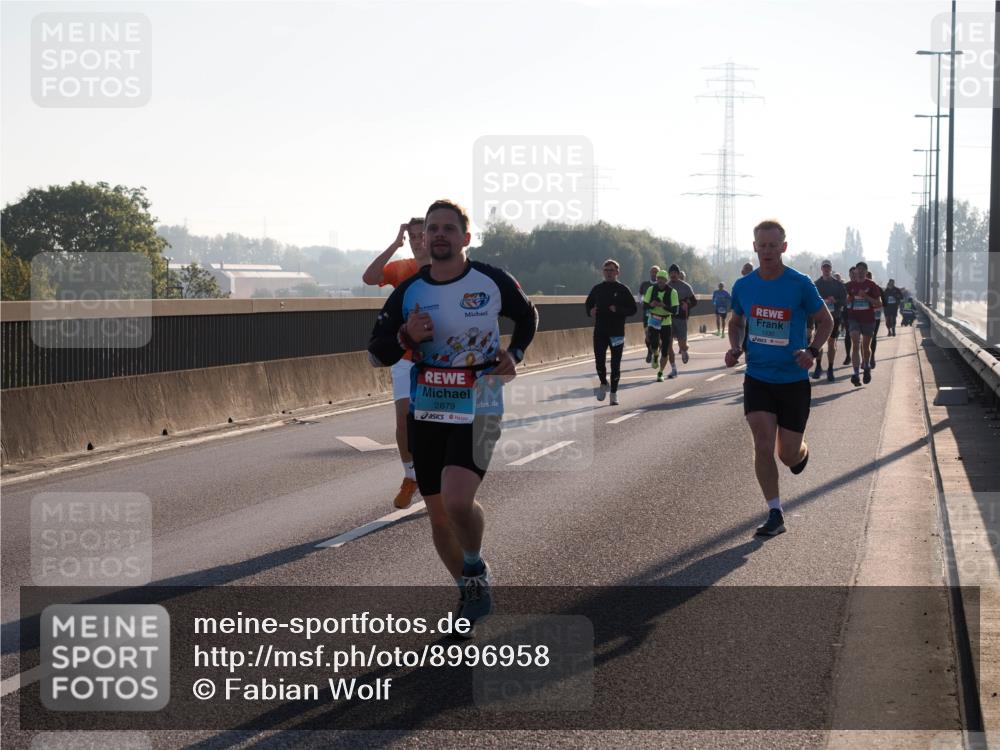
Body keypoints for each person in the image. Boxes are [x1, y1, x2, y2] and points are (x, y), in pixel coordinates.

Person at [367, 199, 538, 629]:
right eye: (432, 229)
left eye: (448, 228)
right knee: (439, 514)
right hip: (428, 408)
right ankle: (468, 590)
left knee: (459, 500)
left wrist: (514, 352)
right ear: (424, 238)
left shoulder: (491, 280)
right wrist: (406, 334)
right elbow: (376, 352)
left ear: (466, 237)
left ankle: (476, 567)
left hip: (479, 402)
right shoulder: (410, 291)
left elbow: (528, 314)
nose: (438, 235)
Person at [725, 220, 833, 537]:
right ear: (755, 246)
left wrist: (812, 350)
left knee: (787, 454)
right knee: (761, 443)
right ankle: (775, 512)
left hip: (793, 381)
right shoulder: (743, 286)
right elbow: (735, 322)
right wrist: (734, 349)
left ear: (783, 247)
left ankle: (800, 451)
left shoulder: (799, 284)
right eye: (763, 245)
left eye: (774, 245)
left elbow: (825, 320)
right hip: (758, 377)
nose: (768, 251)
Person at [362, 217, 429, 509]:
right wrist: (395, 244)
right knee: (403, 420)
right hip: (404, 357)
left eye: (420, 235)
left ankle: (440, 475)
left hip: (440, 359)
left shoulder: (447, 267)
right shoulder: (402, 268)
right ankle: (410, 476)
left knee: (435, 421)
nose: (416, 240)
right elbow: (369, 277)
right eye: (411, 236)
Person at [586, 259, 638, 406]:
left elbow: (633, 309)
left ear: (617, 272)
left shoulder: (623, 289)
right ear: (603, 272)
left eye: (611, 270)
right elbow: (588, 303)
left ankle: (614, 393)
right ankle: (603, 382)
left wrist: (619, 310)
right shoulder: (597, 288)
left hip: (617, 332)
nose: (608, 273)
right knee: (599, 362)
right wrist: (591, 311)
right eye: (606, 270)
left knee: (615, 365)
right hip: (600, 331)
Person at [845, 261, 883, 386]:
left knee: (866, 347)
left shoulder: (871, 285)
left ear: (866, 272)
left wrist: (866, 296)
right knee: (855, 343)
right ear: (855, 271)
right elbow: (844, 302)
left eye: (863, 269)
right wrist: (848, 299)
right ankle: (855, 374)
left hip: (868, 319)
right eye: (858, 269)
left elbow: (878, 303)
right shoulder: (850, 285)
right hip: (854, 318)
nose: (860, 271)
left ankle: (866, 366)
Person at [811, 259, 847, 382]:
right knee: (819, 341)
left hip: (834, 317)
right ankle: (818, 366)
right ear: (821, 269)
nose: (826, 269)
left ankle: (830, 368)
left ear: (831, 269)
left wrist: (835, 301)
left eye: (828, 267)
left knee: (832, 343)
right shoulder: (816, 284)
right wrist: (822, 302)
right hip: (820, 317)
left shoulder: (838, 285)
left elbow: (845, 300)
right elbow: (811, 300)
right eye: (824, 267)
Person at [642, 270, 679, 381]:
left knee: (666, 349)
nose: (660, 281)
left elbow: (675, 310)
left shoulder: (672, 292)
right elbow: (644, 306)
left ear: (666, 280)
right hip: (653, 320)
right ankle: (655, 354)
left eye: (662, 279)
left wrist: (663, 305)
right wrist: (651, 305)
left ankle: (660, 373)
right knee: (653, 343)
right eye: (658, 279)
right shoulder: (651, 289)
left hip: (666, 322)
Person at [667, 264, 697, 370]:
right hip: (668, 318)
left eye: (675, 273)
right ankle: (673, 366)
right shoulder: (666, 286)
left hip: (681, 318)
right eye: (671, 273)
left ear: (679, 274)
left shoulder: (686, 286)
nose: (673, 275)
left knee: (682, 344)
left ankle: (684, 350)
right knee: (668, 342)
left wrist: (687, 305)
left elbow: (694, 301)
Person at [638, 266, 660, 363]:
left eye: (656, 272)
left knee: (657, 335)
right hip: (647, 313)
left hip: (659, 314)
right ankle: (649, 351)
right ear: (650, 273)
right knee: (647, 335)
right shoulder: (645, 284)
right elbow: (639, 295)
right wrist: (641, 301)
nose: (654, 274)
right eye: (652, 272)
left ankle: (656, 349)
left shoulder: (662, 285)